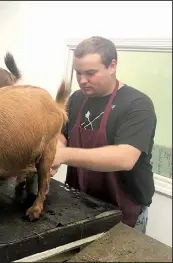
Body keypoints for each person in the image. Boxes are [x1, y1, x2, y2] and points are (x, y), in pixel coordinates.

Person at [50, 36, 157, 234]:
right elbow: (62, 134)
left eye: (90, 73)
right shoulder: (77, 98)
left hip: (123, 212)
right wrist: (56, 152)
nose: (82, 80)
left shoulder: (137, 105)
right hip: (81, 203)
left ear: (112, 66)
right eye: (78, 73)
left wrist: (63, 156)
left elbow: (125, 158)